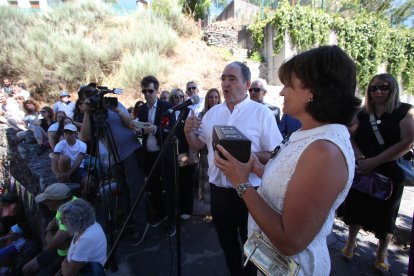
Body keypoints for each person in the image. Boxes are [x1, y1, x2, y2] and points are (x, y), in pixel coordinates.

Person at [213, 46, 361, 275]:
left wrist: (241, 182)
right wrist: (255, 166)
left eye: (288, 85)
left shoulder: (325, 152)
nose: (281, 92)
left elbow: (290, 241)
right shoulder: (309, 134)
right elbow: (290, 182)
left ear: (312, 91)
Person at [184, 61, 282, 275]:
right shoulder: (212, 114)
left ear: (247, 84)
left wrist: (246, 157)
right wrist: (188, 132)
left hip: (251, 192)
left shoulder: (261, 114)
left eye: (232, 79)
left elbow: (275, 153)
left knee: (252, 246)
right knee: (227, 245)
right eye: (223, 79)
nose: (225, 84)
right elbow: (198, 145)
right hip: (218, 191)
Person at [340, 73, 414, 273]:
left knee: (386, 217)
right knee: (355, 209)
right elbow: (349, 135)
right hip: (363, 168)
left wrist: (376, 161)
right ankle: (350, 242)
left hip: (389, 171)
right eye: (374, 88)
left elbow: (407, 142)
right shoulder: (362, 113)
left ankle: (382, 253)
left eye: (384, 87)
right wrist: (361, 159)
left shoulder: (406, 111)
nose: (378, 91)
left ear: (393, 89)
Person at [78, 83, 147, 246]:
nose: (94, 98)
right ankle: (130, 222)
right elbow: (85, 137)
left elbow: (131, 123)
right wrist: (87, 114)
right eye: (89, 97)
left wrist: (116, 110)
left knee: (135, 191)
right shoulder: (91, 115)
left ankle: (141, 225)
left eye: (94, 94)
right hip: (114, 158)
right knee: (123, 191)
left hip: (130, 152)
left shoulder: (112, 104)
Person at [133, 76, 175, 236]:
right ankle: (160, 214)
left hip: (163, 154)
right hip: (149, 155)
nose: (147, 94)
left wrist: (156, 129)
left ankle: (171, 220)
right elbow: (141, 133)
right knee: (154, 187)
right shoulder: (143, 109)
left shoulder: (165, 105)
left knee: (169, 188)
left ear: (157, 90)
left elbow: (171, 129)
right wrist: (139, 131)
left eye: (150, 91)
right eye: (144, 91)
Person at [23, 183, 75, 276]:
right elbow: (55, 223)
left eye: (47, 200)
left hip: (67, 255)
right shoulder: (68, 201)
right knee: (26, 269)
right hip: (60, 250)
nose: (44, 203)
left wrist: (48, 229)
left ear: (56, 201)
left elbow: (52, 245)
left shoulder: (69, 214)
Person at [58, 199, 107, 276]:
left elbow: (68, 274)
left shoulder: (86, 239)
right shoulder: (87, 225)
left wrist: (63, 264)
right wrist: (65, 264)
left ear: (74, 221)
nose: (62, 224)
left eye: (64, 222)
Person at [169, 88, 195, 221]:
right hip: (172, 154)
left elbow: (191, 135)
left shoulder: (188, 112)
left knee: (186, 182)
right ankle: (177, 208)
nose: (178, 98)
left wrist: (190, 154)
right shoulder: (169, 113)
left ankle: (187, 208)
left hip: (185, 152)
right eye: (175, 96)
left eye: (180, 96)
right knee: (175, 183)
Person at [197, 88, 221, 202]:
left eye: (216, 97)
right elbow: (198, 135)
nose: (213, 99)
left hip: (218, 153)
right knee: (205, 178)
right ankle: (206, 206)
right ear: (207, 99)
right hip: (205, 152)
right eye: (211, 97)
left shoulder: (223, 113)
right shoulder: (202, 114)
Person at [51, 124, 89, 195]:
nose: (68, 136)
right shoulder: (60, 144)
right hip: (64, 166)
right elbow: (54, 161)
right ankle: (64, 182)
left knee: (89, 183)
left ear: (76, 134)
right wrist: (57, 174)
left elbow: (78, 162)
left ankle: (81, 196)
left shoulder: (82, 145)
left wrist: (68, 173)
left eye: (70, 133)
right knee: (65, 158)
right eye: (66, 133)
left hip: (78, 168)